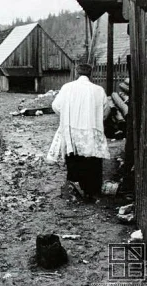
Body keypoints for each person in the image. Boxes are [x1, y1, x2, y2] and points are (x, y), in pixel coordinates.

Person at [48, 63, 111, 201]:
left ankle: (74, 191)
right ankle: (92, 192)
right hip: (91, 129)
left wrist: (66, 117)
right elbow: (106, 110)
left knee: (74, 158)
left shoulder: (67, 88)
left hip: (72, 129)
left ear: (76, 73)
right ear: (91, 74)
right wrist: (96, 120)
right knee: (92, 160)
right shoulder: (98, 90)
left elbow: (56, 106)